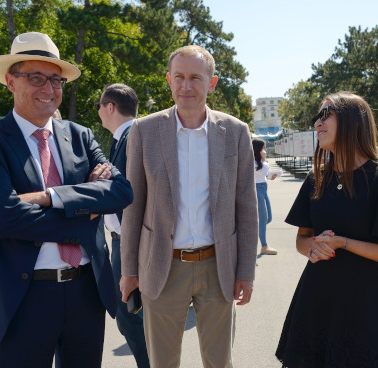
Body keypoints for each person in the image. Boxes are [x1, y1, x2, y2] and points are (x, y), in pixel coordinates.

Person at [0, 32, 133, 367]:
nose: (48, 88)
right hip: (19, 298)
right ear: (11, 81)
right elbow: (3, 218)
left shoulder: (80, 136)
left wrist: (48, 197)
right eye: (35, 78)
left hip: (86, 292)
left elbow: (121, 192)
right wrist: (87, 210)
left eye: (55, 80)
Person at [119, 45, 258, 367]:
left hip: (218, 266)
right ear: (169, 80)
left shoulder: (235, 132)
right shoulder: (144, 130)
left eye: (195, 78)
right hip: (162, 267)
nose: (186, 86)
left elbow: (247, 208)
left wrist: (246, 272)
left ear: (212, 82)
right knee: (163, 362)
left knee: (219, 362)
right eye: (179, 77)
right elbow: (133, 205)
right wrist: (129, 270)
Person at [275, 91, 378, 367]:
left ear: (353, 121)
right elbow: (301, 240)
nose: (317, 124)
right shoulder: (316, 176)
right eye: (316, 117)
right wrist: (313, 245)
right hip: (315, 302)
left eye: (326, 114)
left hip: (365, 307)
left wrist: (343, 242)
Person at [96, 82, 150, 367]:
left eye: (98, 106)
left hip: (129, 241)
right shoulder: (127, 136)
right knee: (133, 315)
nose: (98, 112)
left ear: (111, 107)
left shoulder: (131, 137)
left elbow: (134, 195)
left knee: (130, 317)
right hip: (126, 240)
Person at [252, 138, 278, 255]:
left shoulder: (259, 162)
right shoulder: (252, 162)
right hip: (257, 189)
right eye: (264, 148)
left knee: (268, 218)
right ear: (258, 149)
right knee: (263, 219)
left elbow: (263, 174)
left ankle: (255, 231)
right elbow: (262, 171)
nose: (266, 150)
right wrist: (264, 159)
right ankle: (264, 245)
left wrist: (269, 177)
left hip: (263, 187)